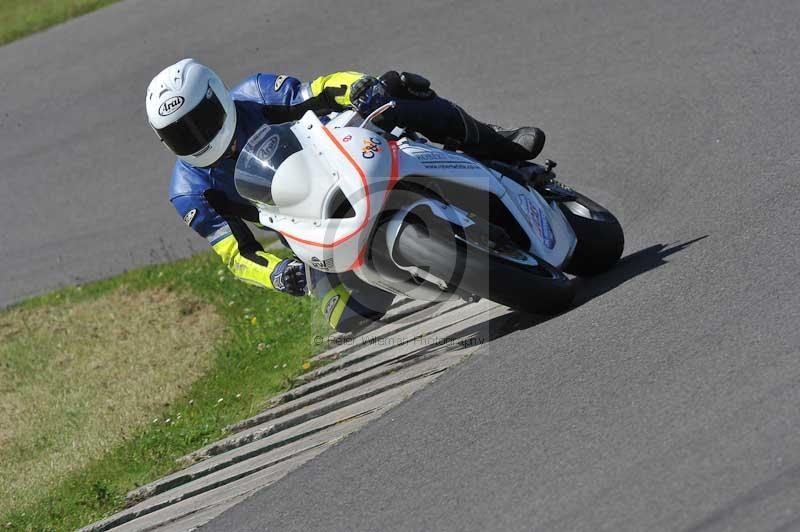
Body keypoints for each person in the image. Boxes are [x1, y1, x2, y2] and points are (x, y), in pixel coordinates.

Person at [145, 58, 545, 333]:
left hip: (347, 161)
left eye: (201, 121)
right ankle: (438, 266)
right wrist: (278, 274)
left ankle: (495, 142)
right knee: (346, 316)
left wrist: (357, 86)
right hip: (313, 229)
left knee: (396, 89)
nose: (197, 138)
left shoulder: (257, 94)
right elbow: (238, 254)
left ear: (217, 96)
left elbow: (321, 89)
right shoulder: (190, 193)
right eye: (181, 134)